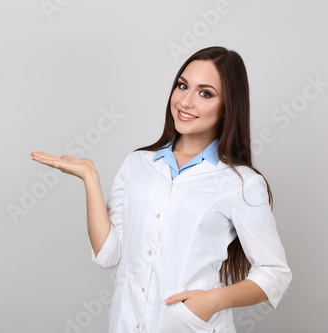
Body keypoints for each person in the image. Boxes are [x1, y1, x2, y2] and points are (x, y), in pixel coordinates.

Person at [30, 46, 292, 332]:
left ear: (228, 106)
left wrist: (211, 301)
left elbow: (275, 273)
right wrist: (90, 178)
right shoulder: (137, 164)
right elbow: (108, 255)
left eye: (205, 93)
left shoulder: (240, 183)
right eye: (182, 86)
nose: (186, 102)